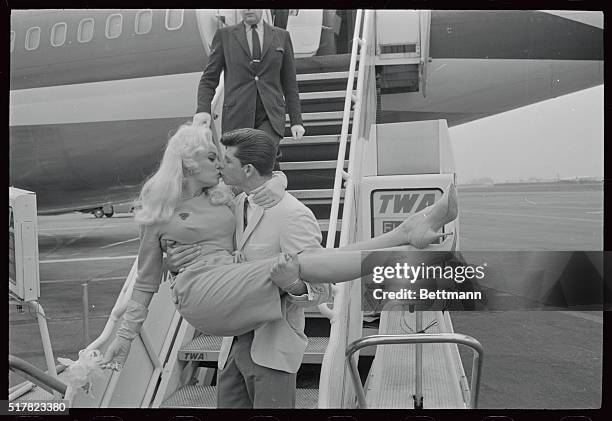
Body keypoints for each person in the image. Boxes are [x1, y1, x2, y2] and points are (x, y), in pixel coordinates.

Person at [100, 123, 457, 380]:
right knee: (300, 263)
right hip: (199, 293)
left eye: (222, 159)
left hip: (233, 283)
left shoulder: (224, 197)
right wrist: (124, 337)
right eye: (214, 157)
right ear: (190, 163)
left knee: (313, 260)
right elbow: (145, 283)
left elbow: (260, 176)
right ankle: (402, 244)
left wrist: (279, 179)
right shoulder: (158, 210)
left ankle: (404, 233)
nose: (221, 165)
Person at [166, 128, 331, 408]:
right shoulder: (233, 203)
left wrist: (292, 284)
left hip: (271, 348)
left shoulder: (293, 215)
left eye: (226, 161)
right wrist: (174, 266)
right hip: (232, 345)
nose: (219, 165)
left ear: (248, 169)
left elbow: (322, 288)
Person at [194, 9, 305, 169]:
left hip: (270, 115)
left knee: (262, 155)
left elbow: (289, 83)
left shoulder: (282, 36)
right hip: (237, 115)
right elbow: (209, 78)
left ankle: (272, 188)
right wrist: (203, 109)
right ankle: (271, 189)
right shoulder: (224, 36)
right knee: (246, 165)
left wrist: (296, 120)